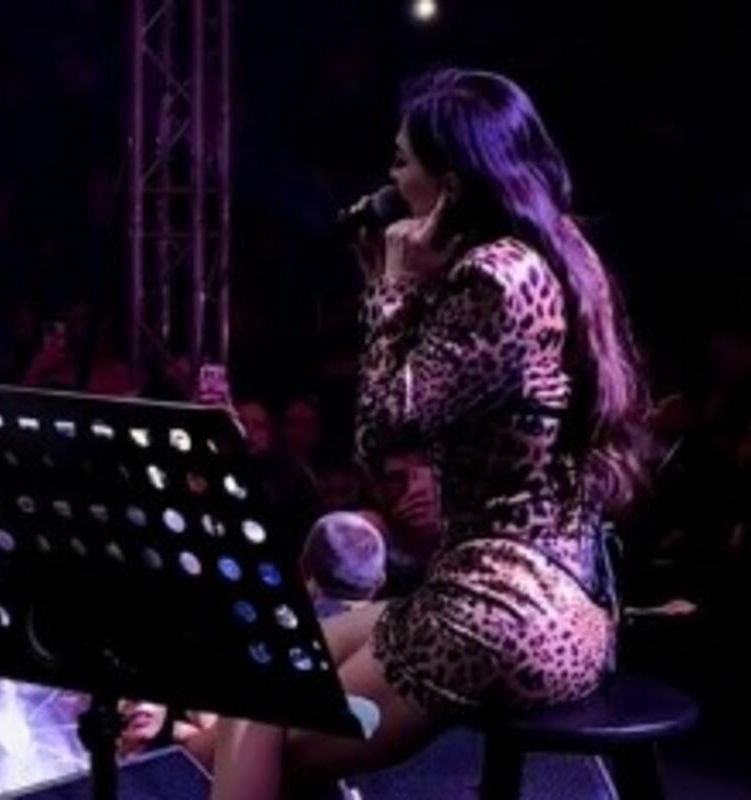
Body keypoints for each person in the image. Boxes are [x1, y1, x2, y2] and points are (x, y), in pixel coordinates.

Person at [209, 68, 645, 798]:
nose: (389, 179)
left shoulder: (495, 278)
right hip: (551, 598)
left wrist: (393, 286)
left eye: (400, 161)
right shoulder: (551, 251)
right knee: (260, 666)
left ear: (450, 185)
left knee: (261, 717)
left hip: (500, 614)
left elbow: (379, 431)